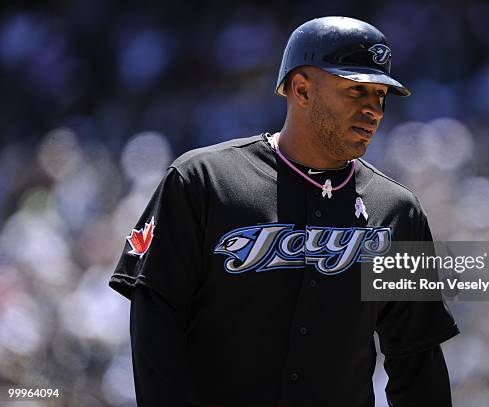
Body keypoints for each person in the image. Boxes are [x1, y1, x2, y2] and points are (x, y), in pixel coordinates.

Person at [109, 16, 459, 407]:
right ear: (302, 89)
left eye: (380, 95)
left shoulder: (397, 212)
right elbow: (156, 319)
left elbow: (417, 361)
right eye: (357, 91)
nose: (373, 110)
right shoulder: (203, 181)